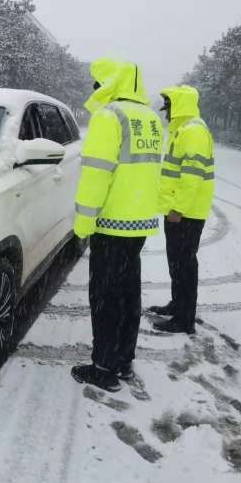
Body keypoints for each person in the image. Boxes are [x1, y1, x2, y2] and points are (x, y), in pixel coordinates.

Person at [71, 58, 163, 393]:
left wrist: (84, 221)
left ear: (110, 83)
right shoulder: (150, 118)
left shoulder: (109, 116)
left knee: (105, 297)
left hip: (111, 223)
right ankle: (123, 359)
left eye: (98, 83)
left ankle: (103, 368)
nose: (95, 89)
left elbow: (96, 173)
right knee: (127, 293)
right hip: (138, 222)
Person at [150, 85, 215, 335]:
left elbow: (192, 176)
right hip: (178, 210)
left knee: (184, 265)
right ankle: (178, 305)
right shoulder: (183, 130)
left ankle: (184, 320)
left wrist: (178, 208)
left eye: (169, 109)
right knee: (177, 263)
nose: (166, 114)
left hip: (186, 213)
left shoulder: (193, 132)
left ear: (179, 107)